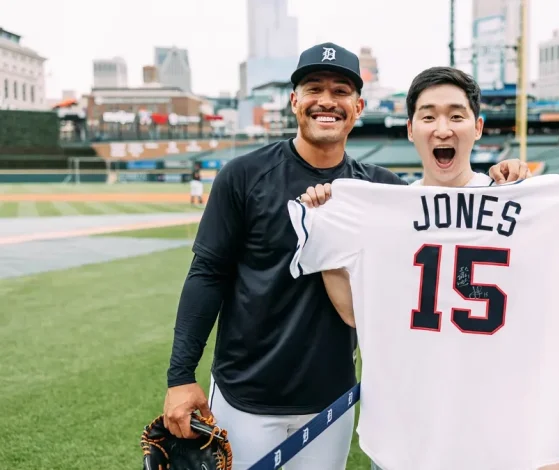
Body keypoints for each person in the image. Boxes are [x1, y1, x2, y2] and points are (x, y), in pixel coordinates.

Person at [162, 45, 532, 470]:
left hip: (332, 399)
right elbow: (207, 274)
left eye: (340, 91)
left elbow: (454, 219)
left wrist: (503, 183)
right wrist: (180, 376)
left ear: (357, 106)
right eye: (313, 88)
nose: (327, 101)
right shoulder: (244, 176)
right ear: (294, 101)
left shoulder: (383, 191)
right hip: (248, 395)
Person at [288, 67, 559, 470]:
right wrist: (331, 241)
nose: (443, 128)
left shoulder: (520, 204)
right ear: (411, 129)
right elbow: (351, 312)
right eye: (429, 116)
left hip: (495, 431)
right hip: (411, 430)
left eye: (456, 115)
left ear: (478, 126)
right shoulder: (384, 213)